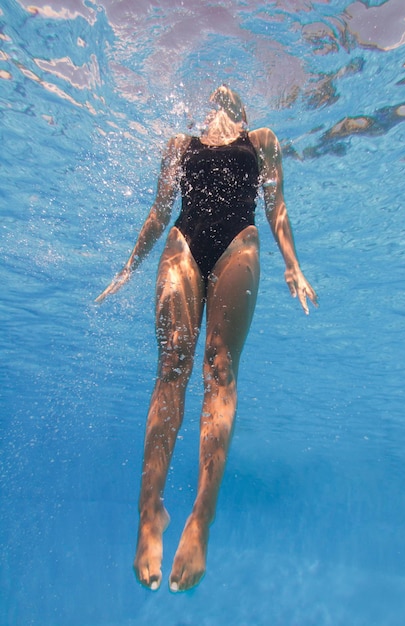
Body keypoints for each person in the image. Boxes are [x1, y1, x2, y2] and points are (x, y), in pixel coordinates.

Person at [95, 85, 317, 592]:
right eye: (214, 96)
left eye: (232, 95)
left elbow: (276, 206)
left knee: (218, 367)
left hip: (239, 239)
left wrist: (293, 266)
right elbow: (158, 209)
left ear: (242, 109)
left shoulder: (262, 139)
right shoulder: (178, 143)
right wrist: (128, 267)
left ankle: (201, 518)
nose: (222, 95)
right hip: (183, 240)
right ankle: (148, 511)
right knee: (173, 362)